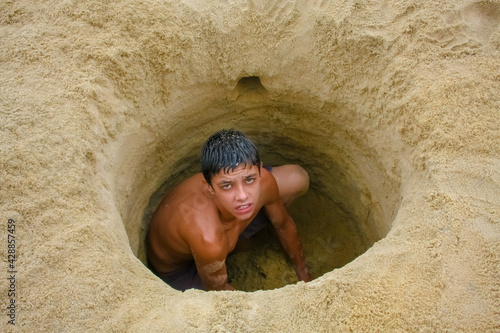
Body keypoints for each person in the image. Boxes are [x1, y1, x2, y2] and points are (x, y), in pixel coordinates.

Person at [146, 129, 312, 291]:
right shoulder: (208, 237)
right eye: (227, 185)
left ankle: (240, 243)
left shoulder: (262, 183)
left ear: (260, 172)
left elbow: (283, 224)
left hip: (224, 227)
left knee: (296, 178)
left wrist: (305, 276)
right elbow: (219, 294)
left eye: (249, 179)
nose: (242, 196)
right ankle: (239, 246)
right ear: (209, 187)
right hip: (181, 269)